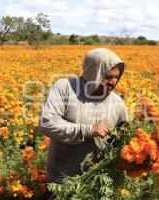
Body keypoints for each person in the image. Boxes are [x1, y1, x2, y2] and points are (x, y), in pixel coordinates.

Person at [38, 48, 128, 188]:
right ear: (94, 73)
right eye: (109, 77)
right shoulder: (66, 88)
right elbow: (47, 122)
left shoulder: (117, 103)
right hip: (61, 181)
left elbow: (122, 139)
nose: (113, 82)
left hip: (96, 183)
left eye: (117, 77)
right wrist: (88, 130)